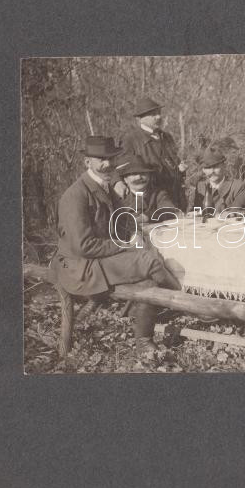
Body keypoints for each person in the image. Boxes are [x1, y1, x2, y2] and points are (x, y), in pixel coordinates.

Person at [52, 136, 182, 355]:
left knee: (149, 272)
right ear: (87, 162)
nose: (107, 164)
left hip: (99, 257)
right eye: (101, 159)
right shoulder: (75, 195)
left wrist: (133, 232)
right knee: (149, 261)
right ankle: (185, 302)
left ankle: (143, 340)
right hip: (80, 266)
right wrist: (126, 244)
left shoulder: (106, 187)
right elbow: (84, 246)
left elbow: (124, 219)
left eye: (111, 159)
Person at [114, 96, 187, 209]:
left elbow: (174, 162)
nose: (158, 117)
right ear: (140, 118)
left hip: (175, 196)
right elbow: (119, 166)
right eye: (153, 114)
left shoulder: (167, 137)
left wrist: (180, 168)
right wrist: (117, 182)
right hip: (152, 200)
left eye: (159, 113)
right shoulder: (131, 139)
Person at [112, 154, 181, 239]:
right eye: (134, 174)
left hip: (157, 237)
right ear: (125, 179)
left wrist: (146, 216)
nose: (139, 177)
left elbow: (170, 210)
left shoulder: (158, 194)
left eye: (143, 173)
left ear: (149, 176)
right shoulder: (119, 197)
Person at [188, 147, 245, 217]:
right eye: (208, 168)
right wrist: (194, 214)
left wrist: (229, 214)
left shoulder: (237, 186)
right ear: (203, 170)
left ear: (224, 166)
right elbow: (195, 210)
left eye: (215, 167)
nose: (212, 171)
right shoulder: (200, 187)